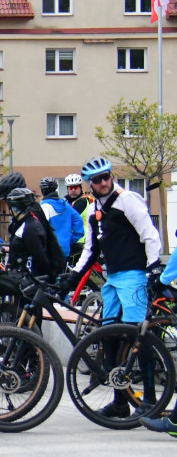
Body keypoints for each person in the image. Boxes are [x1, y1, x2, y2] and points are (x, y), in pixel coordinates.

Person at [60, 157, 161, 422]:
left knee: (137, 338)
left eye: (106, 177)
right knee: (109, 336)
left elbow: (149, 234)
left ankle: (149, 400)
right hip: (113, 279)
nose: (103, 182)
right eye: (97, 180)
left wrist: (153, 268)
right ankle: (120, 401)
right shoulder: (94, 211)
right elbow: (91, 249)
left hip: (134, 276)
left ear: (110, 176)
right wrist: (72, 277)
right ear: (89, 184)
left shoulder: (128, 200)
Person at [4, 188, 54, 277]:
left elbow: (39, 257)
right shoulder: (23, 224)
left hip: (27, 280)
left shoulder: (30, 227)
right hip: (21, 276)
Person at [39, 177, 84, 258]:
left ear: (43, 191)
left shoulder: (44, 206)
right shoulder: (66, 205)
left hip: (49, 250)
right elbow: (79, 221)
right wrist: (69, 240)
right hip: (65, 249)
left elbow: (39, 229)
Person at [63, 173, 92, 254]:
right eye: (70, 188)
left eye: (75, 187)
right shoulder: (68, 201)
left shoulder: (82, 201)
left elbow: (68, 218)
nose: (73, 190)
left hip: (81, 240)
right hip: (74, 239)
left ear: (80, 188)